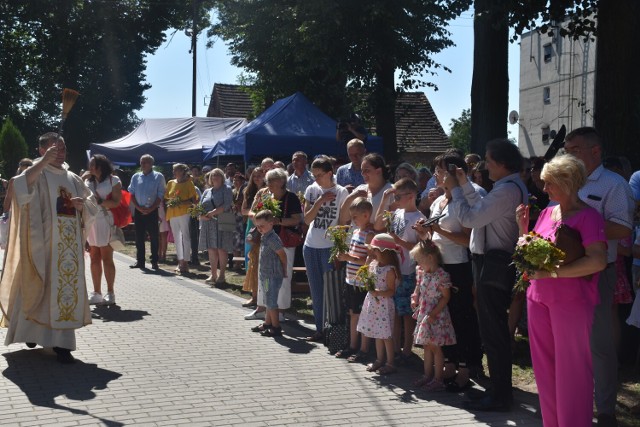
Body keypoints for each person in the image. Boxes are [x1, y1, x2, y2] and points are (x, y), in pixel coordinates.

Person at [515, 154, 607, 427]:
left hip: (571, 301)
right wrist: (523, 230)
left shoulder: (588, 217)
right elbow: (532, 253)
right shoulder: (546, 212)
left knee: (573, 371)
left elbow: (598, 260)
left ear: (567, 182)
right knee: (544, 370)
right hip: (538, 298)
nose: (544, 189)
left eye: (549, 183)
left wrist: (552, 273)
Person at [0, 132, 98, 363]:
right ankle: (31, 332)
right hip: (40, 245)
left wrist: (82, 206)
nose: (60, 152)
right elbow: (20, 189)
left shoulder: (73, 178)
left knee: (63, 291)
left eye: (63, 148)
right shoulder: (36, 172)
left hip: (68, 249)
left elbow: (92, 203)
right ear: (41, 150)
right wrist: (43, 163)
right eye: (55, 148)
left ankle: (63, 346)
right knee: (37, 287)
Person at [448, 139, 528, 412]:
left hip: (493, 264)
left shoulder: (506, 191)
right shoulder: (506, 188)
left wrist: (456, 190)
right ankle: (496, 390)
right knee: (491, 331)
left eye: (489, 161)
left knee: (493, 333)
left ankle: (500, 395)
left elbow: (471, 219)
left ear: (503, 164)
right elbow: (482, 206)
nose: (485, 166)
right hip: (490, 263)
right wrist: (463, 183)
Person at [563, 127, 634, 427]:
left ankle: (604, 410)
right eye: (566, 149)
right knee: (568, 343)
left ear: (595, 151)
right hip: (564, 273)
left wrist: (583, 224)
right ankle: (572, 401)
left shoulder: (613, 184)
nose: (568, 154)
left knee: (599, 344)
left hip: (596, 273)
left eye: (575, 149)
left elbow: (623, 229)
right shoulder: (564, 181)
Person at [415, 154, 483, 392]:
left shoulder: (465, 199)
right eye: (436, 170)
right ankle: (451, 363)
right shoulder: (437, 201)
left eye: (442, 170)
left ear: (456, 172)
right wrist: (424, 233)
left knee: (461, 317)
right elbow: (433, 236)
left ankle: (467, 367)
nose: (437, 175)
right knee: (444, 319)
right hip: (440, 265)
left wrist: (438, 230)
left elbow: (468, 240)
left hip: (460, 265)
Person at [374, 178, 425, 366]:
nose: (395, 199)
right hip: (394, 269)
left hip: (408, 270)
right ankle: (394, 348)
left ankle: (406, 349)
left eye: (398, 196)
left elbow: (421, 247)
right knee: (394, 311)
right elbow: (382, 229)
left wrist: (398, 241)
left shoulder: (419, 218)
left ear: (411, 196)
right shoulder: (397, 214)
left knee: (406, 313)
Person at [302, 157, 349, 341]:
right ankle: (320, 329)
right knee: (316, 289)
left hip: (329, 246)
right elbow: (306, 219)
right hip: (311, 245)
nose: (316, 179)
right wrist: (320, 201)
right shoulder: (312, 190)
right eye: (314, 175)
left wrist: (339, 247)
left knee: (332, 291)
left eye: (320, 175)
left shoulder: (341, 191)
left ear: (330, 173)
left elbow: (343, 222)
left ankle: (333, 329)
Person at [410, 240, 456, 391]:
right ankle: (427, 375)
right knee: (426, 345)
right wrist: (415, 297)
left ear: (430, 258)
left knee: (435, 347)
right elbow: (418, 288)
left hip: (436, 315)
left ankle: (438, 378)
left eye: (420, 261)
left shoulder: (442, 275)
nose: (419, 265)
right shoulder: (422, 273)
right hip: (425, 312)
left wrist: (434, 313)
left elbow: (446, 297)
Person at [334, 197, 375, 361]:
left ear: (366, 215)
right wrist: (344, 256)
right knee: (352, 314)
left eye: (355, 217)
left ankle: (363, 349)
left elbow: (368, 261)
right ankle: (352, 345)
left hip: (362, 282)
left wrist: (349, 257)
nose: (353, 220)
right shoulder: (356, 232)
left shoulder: (369, 235)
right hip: (350, 280)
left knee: (362, 314)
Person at [356, 233, 400, 375]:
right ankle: (379, 359)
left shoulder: (389, 270)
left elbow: (391, 291)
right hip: (373, 304)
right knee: (376, 332)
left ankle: (390, 363)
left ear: (384, 252)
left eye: (375, 250)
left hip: (383, 305)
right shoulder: (374, 265)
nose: (372, 252)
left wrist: (377, 293)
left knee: (385, 335)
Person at [85, 154, 122, 306]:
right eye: (90, 165)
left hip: (106, 220)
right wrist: (83, 177)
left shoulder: (114, 180)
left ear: (101, 165)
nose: (91, 167)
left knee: (107, 257)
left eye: (93, 164)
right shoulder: (87, 180)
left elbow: (115, 202)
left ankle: (110, 292)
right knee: (94, 257)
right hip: (91, 221)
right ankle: (96, 292)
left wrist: (99, 201)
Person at [249, 209, 288, 337]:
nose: (259, 229)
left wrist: (284, 269)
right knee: (267, 299)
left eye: (262, 226)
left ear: (271, 223)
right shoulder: (264, 236)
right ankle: (267, 323)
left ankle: (276, 327)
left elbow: (282, 255)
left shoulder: (273, 238)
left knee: (271, 302)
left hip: (273, 276)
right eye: (258, 226)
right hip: (265, 276)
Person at [128, 154, 166, 270]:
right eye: (141, 162)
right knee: (139, 237)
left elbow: (160, 195)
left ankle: (154, 261)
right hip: (139, 211)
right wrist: (138, 208)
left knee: (154, 237)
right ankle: (140, 261)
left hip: (152, 211)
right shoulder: (135, 177)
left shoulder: (158, 177)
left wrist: (151, 208)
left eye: (145, 162)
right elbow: (131, 193)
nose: (142, 164)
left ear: (151, 164)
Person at [199, 169, 234, 283]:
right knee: (211, 249)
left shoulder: (227, 189)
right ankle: (213, 274)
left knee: (222, 248)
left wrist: (212, 212)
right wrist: (201, 215)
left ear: (222, 177)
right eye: (213, 175)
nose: (215, 177)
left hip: (223, 220)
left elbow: (227, 204)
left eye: (218, 175)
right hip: (208, 223)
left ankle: (222, 275)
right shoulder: (207, 191)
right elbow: (200, 206)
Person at [165, 163, 198, 275]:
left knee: (186, 237)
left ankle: (186, 262)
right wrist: (170, 203)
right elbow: (166, 198)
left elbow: (194, 201)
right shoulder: (170, 183)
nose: (174, 172)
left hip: (184, 212)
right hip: (172, 213)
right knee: (177, 238)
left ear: (183, 171)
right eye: (174, 170)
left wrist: (180, 202)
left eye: (177, 170)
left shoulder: (189, 183)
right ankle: (180, 262)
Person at [340, 153, 393, 224]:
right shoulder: (359, 189)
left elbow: (393, 222)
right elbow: (344, 219)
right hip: (356, 234)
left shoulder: (391, 190)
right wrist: (350, 198)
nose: (363, 174)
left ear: (379, 171)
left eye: (367, 170)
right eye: (362, 170)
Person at [241, 167, 266, 308]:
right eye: (254, 176)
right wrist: (252, 214)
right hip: (251, 225)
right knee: (249, 259)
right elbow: (243, 210)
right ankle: (254, 295)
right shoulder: (248, 191)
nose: (257, 178)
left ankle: (261, 297)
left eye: (259, 175)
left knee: (259, 261)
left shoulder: (267, 191)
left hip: (262, 226)